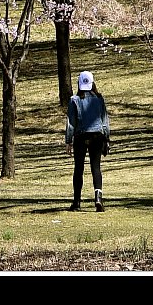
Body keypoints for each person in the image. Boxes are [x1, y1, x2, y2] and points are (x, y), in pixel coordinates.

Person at [65, 70, 110, 212]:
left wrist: (68, 140)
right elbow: (105, 121)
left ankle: (77, 202)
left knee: (79, 168)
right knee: (95, 168)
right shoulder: (99, 99)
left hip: (80, 136)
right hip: (97, 136)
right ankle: (98, 198)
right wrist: (106, 139)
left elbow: (71, 122)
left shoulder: (74, 100)